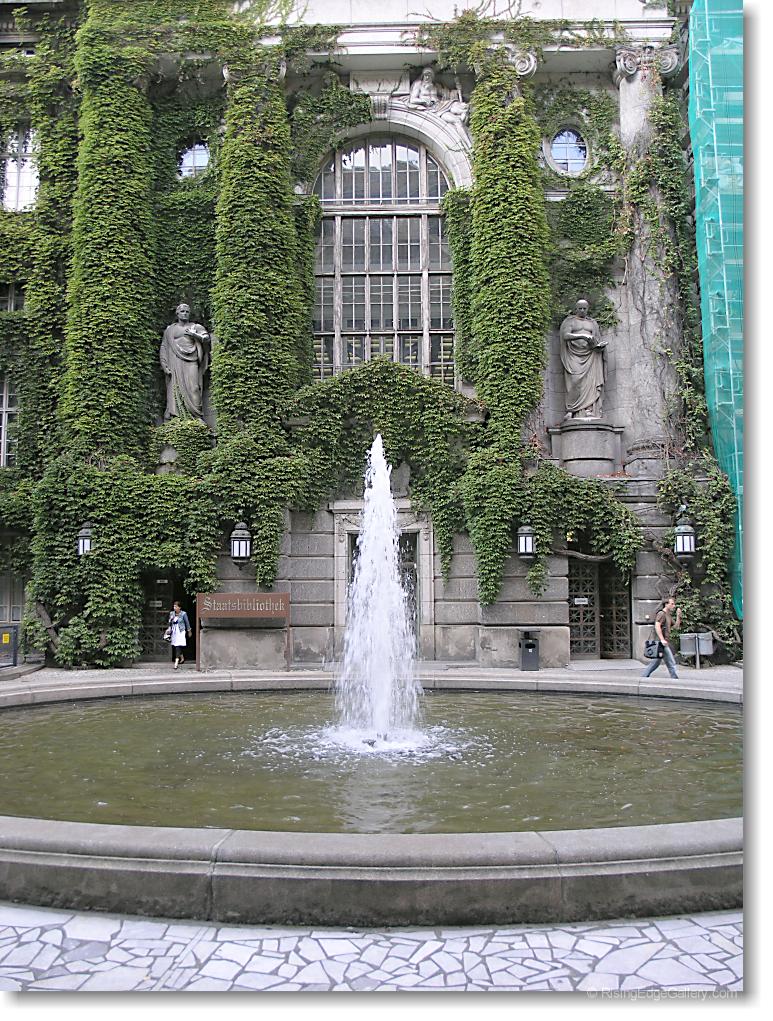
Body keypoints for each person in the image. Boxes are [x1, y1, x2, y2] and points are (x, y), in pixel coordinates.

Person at [160, 303, 211, 421]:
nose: (185, 314)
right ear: (177, 313)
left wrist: (194, 335)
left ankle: (196, 416)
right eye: (182, 311)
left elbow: (206, 338)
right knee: (175, 388)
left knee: (194, 387)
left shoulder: (195, 327)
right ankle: (176, 417)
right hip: (175, 362)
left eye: (187, 312)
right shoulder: (170, 330)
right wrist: (164, 363)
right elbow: (164, 347)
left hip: (191, 360)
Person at [559, 298, 608, 419]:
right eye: (580, 308)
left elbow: (596, 339)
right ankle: (571, 409)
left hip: (590, 355)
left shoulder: (592, 323)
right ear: (576, 309)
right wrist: (583, 336)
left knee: (590, 382)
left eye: (584, 308)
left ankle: (589, 409)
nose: (582, 310)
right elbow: (565, 335)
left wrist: (598, 346)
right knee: (574, 381)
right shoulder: (570, 321)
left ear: (587, 309)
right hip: (574, 355)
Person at [642, 596, 682, 679]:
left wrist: (678, 616)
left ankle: (644, 677)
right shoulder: (661, 614)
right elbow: (657, 626)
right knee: (671, 661)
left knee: (656, 662)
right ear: (666, 604)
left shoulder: (668, 615)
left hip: (663, 642)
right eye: (672, 604)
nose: (674, 606)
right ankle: (675, 678)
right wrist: (662, 639)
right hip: (661, 642)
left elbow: (675, 627)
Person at [168, 600, 192, 670]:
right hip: (174, 631)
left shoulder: (183, 614)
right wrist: (170, 621)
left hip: (181, 631)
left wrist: (189, 631)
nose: (174, 608)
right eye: (174, 606)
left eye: (176, 606)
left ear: (179, 607)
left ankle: (176, 662)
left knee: (178, 645)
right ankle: (182, 657)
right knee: (176, 645)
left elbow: (187, 623)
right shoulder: (172, 613)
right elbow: (169, 623)